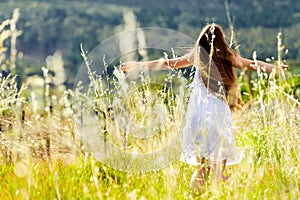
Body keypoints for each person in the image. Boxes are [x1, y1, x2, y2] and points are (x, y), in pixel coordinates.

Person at [120, 23, 288, 193]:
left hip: (197, 121)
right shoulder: (227, 56)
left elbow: (166, 63)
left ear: (201, 41)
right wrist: (275, 69)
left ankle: (194, 196)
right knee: (219, 172)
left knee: (202, 169)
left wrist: (137, 65)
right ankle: (228, 193)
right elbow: (251, 64)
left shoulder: (196, 56)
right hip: (217, 120)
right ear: (221, 41)